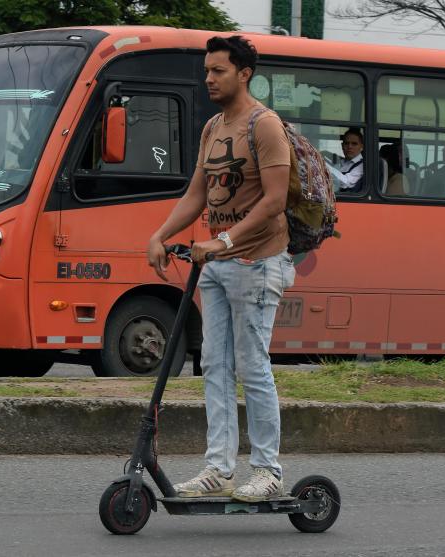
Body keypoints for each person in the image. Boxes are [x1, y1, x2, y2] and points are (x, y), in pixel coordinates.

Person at [147, 35, 295, 503]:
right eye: (207, 70)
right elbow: (196, 194)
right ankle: (219, 468)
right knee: (213, 364)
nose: (208, 78)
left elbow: (275, 201)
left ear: (244, 73)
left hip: (257, 262)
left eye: (218, 71)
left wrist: (224, 240)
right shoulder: (214, 126)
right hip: (214, 264)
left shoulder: (265, 125)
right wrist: (159, 235)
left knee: (252, 366)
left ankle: (268, 470)